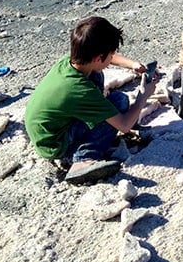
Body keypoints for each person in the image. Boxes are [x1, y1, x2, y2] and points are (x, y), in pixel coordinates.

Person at [25, 16, 157, 185]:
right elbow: (124, 126)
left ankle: (98, 124)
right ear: (98, 57)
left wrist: (132, 65)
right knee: (120, 102)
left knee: (96, 74)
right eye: (110, 56)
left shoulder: (72, 61)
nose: (112, 60)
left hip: (46, 130)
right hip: (55, 143)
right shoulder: (81, 90)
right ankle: (82, 158)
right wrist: (143, 96)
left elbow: (105, 58)